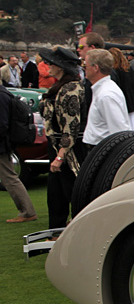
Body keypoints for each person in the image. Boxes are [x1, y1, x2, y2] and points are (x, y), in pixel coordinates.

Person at [38, 46, 85, 228]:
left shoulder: (70, 88)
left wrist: (60, 155)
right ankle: (57, 230)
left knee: (70, 190)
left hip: (68, 149)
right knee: (56, 194)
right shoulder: (61, 87)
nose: (47, 65)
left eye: (51, 63)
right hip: (59, 145)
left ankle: (75, 230)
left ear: (61, 67)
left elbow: (71, 125)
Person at [0, 84, 38, 222]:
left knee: (9, 178)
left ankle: (27, 211)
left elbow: (2, 124)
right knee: (9, 178)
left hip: (2, 145)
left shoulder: (2, 95)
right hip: (4, 143)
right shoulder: (4, 94)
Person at [82, 49, 131, 147]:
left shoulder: (107, 95)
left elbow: (120, 132)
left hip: (101, 149)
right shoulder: (102, 90)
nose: (83, 69)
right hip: (98, 147)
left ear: (95, 68)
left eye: (85, 66)